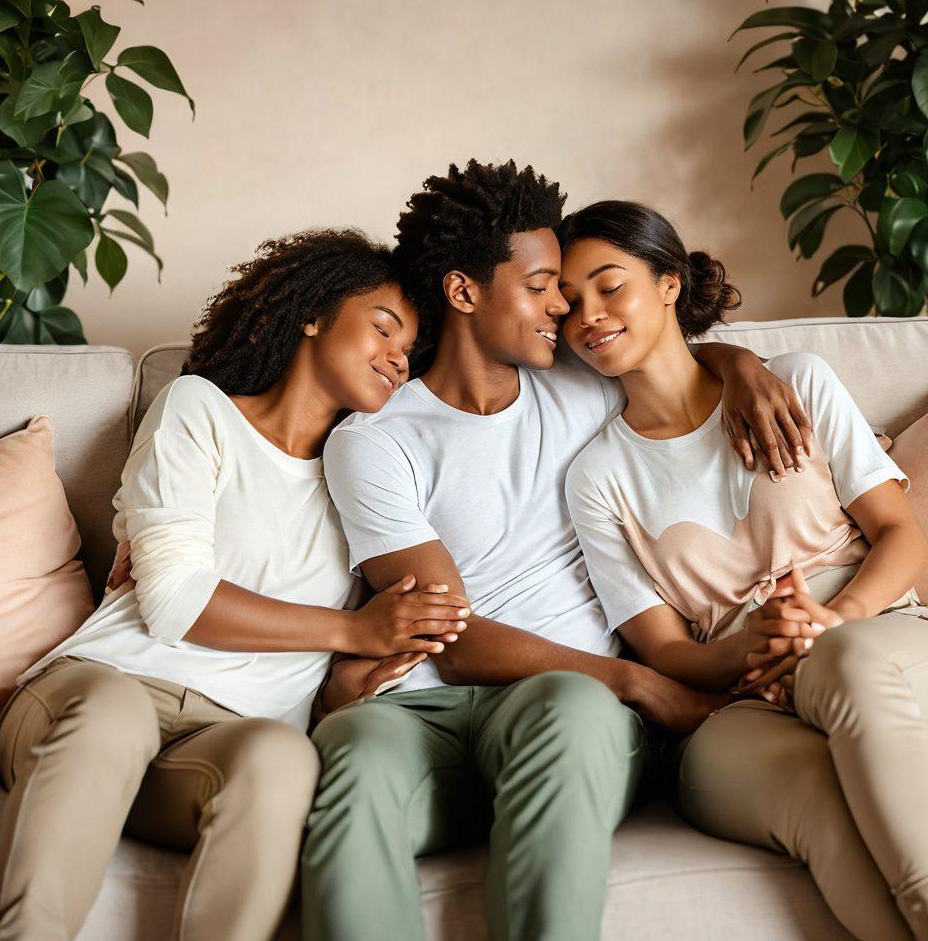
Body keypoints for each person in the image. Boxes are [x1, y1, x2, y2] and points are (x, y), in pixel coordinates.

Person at [302, 160, 812, 941]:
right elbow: (453, 638)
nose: (565, 306)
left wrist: (741, 365)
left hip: (566, 707)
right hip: (421, 711)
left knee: (570, 710)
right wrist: (637, 680)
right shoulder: (374, 441)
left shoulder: (582, 381)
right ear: (465, 292)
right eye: (541, 285)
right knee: (356, 751)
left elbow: (671, 356)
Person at [0, 229, 470, 941]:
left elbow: (321, 680)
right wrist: (353, 630)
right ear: (312, 313)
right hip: (91, 696)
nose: (399, 357)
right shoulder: (199, 409)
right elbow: (177, 598)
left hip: (220, 740)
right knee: (115, 709)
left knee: (282, 758)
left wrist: (365, 668)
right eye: (382, 327)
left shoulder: (366, 482)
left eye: (410, 348)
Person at [559, 199, 928, 941]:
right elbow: (664, 651)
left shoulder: (797, 382)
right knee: (816, 793)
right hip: (740, 701)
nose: (588, 316)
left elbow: (903, 537)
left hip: (885, 641)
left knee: (844, 658)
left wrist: (834, 621)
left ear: (669, 282)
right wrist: (752, 645)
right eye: (568, 304)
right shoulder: (596, 475)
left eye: (609, 286)